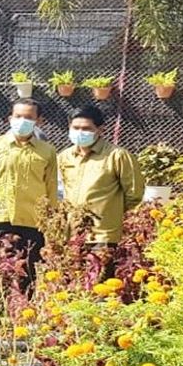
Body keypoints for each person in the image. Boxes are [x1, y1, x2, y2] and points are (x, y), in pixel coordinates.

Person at [0, 100, 58, 333]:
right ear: (9, 118)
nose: (23, 121)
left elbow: (51, 188)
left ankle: (25, 317)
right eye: (18, 116)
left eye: (29, 117)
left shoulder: (47, 152)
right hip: (1, 217)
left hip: (33, 220)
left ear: (39, 121)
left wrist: (51, 220)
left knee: (29, 270)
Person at [58, 104, 144, 259]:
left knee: (100, 279)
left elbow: (134, 194)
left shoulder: (117, 156)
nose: (80, 132)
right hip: (71, 233)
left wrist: (110, 211)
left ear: (100, 130)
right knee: (73, 280)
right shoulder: (64, 157)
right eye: (75, 127)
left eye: (86, 129)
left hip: (102, 234)